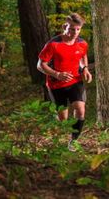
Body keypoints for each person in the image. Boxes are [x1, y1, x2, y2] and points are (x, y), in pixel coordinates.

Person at [37, 13, 92, 151]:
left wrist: (84, 68)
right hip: (56, 84)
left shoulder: (82, 43)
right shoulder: (53, 44)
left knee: (80, 110)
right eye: (72, 29)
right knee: (63, 119)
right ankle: (58, 116)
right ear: (64, 27)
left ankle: (73, 141)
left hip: (75, 81)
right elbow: (40, 65)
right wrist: (57, 74)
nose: (75, 32)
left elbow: (82, 55)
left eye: (78, 29)